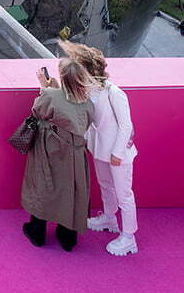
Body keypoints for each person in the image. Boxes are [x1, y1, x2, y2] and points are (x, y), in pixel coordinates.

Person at [61, 41, 139, 256]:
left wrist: (117, 153)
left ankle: (129, 237)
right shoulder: (88, 91)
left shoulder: (114, 92)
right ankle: (109, 217)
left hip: (117, 152)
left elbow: (126, 125)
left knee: (124, 194)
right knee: (105, 185)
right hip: (99, 149)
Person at [20, 56, 96, 252]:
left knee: (43, 186)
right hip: (76, 153)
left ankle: (37, 233)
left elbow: (38, 111)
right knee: (70, 190)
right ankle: (67, 238)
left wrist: (44, 87)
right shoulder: (87, 102)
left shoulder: (51, 96)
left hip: (50, 149)